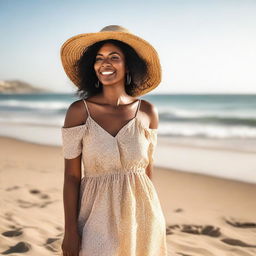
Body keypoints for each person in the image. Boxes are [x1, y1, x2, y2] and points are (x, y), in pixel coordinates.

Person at [60, 25, 167, 256]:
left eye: (114, 57)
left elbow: (147, 171)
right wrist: (70, 230)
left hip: (142, 217)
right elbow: (71, 176)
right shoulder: (79, 111)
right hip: (94, 216)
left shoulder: (148, 111)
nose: (104, 63)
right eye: (99, 58)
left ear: (128, 65)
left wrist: (150, 218)